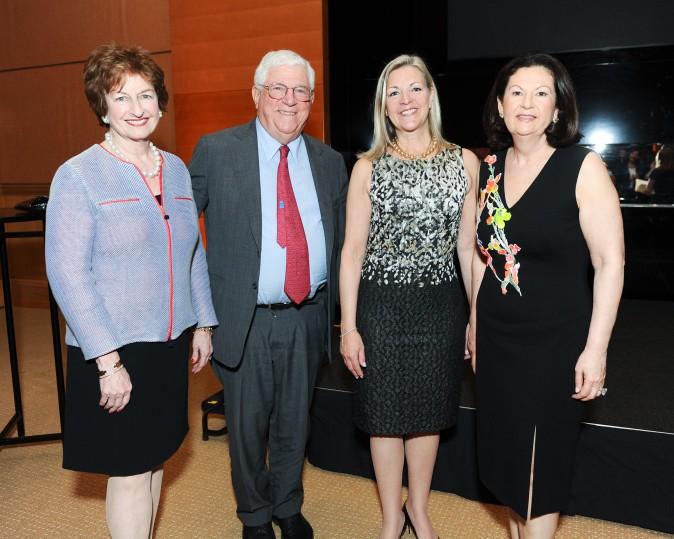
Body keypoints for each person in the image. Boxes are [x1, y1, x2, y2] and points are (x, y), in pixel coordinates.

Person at [45, 42, 217, 538]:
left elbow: (192, 254)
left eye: (146, 95)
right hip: (115, 349)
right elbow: (68, 275)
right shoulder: (78, 176)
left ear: (161, 102)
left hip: (168, 345)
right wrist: (107, 362)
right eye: (121, 97)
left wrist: (203, 321)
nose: (136, 109)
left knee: (157, 456)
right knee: (128, 470)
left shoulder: (178, 169)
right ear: (101, 106)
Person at [189, 49, 348, 539]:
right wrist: (199, 318)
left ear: (311, 100)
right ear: (256, 94)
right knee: (246, 427)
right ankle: (254, 516)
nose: (290, 100)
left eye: (301, 91)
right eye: (278, 88)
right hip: (245, 317)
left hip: (309, 314)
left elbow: (344, 240)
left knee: (294, 422)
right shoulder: (216, 151)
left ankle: (287, 504)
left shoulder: (329, 160)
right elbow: (181, 237)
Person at [469, 53, 624, 538]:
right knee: (511, 467)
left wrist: (595, 350)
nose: (528, 103)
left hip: (554, 347)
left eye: (541, 93)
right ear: (500, 104)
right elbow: (482, 254)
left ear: (558, 109)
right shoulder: (489, 168)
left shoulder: (582, 166)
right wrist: (474, 320)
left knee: (540, 472)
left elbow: (610, 263)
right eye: (516, 92)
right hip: (496, 343)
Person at [340, 54, 479, 539]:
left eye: (414, 89)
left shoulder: (465, 162)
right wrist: (350, 326)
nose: (405, 100)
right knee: (383, 418)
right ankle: (388, 519)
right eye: (394, 92)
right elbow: (352, 252)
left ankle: (418, 510)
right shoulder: (367, 168)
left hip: (441, 309)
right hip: (380, 309)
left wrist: (475, 317)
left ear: (430, 96)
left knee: (427, 416)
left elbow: (467, 249)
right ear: (383, 105)